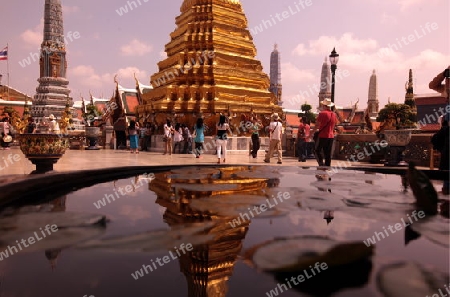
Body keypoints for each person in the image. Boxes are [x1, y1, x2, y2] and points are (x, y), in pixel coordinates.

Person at [312, 98, 337, 167]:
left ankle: (321, 164)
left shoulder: (322, 113)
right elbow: (334, 125)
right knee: (327, 153)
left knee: (316, 150)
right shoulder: (334, 115)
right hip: (331, 136)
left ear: (324, 106)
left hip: (323, 135)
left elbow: (317, 125)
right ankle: (327, 166)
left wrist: (310, 134)